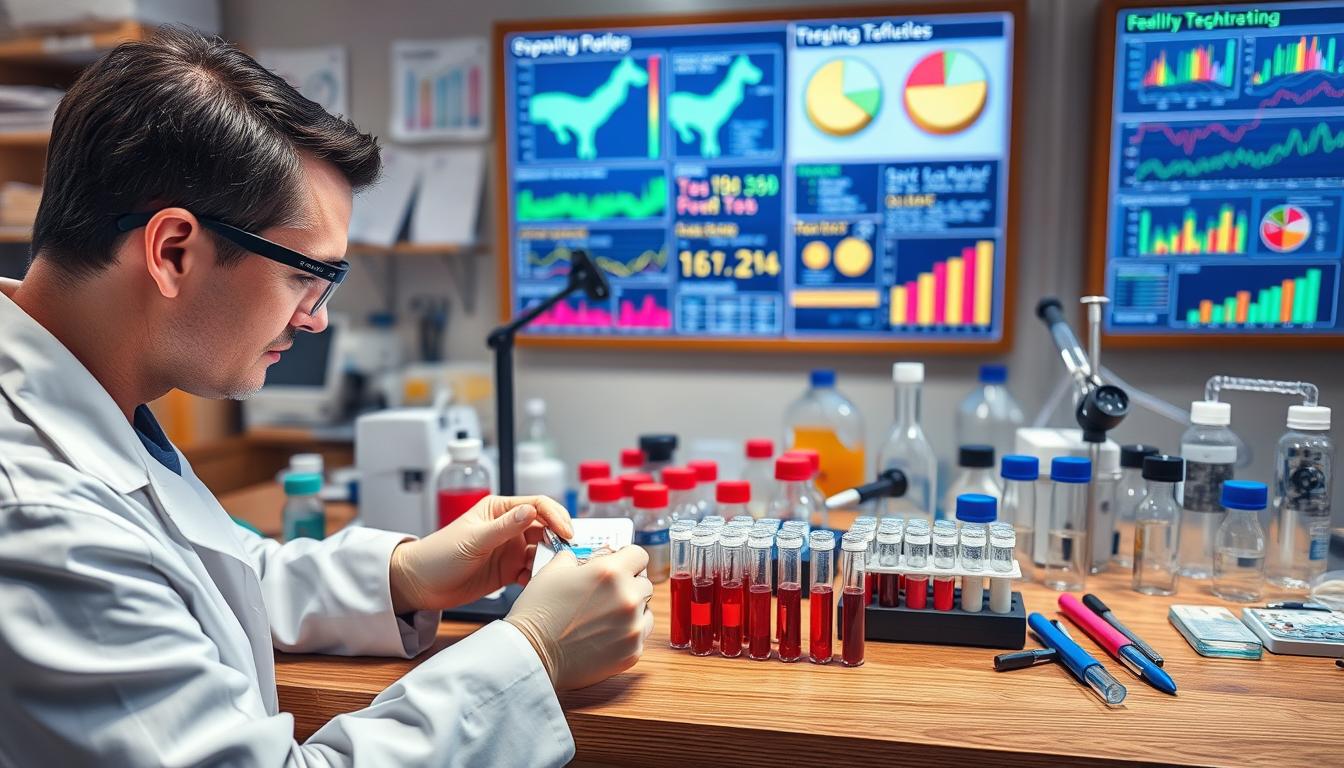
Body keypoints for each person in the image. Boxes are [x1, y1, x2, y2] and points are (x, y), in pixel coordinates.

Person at [0, 26, 652, 766]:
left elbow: (202, 578)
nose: (317, 318)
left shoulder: (84, 401)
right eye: (306, 276)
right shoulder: (37, 514)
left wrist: (406, 575)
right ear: (173, 250)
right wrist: (532, 653)